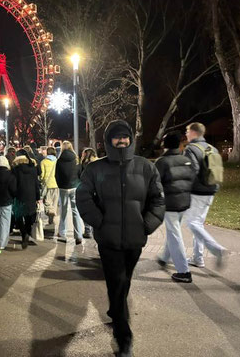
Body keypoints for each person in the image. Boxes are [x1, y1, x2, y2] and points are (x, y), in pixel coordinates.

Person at [77, 120, 165, 357]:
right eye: (117, 137)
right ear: (108, 141)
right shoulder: (95, 169)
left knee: (124, 281)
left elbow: (158, 200)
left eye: (125, 136)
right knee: (116, 281)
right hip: (109, 240)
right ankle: (123, 336)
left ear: (131, 139)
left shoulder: (146, 167)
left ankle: (116, 310)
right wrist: (100, 222)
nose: (122, 140)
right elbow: (83, 197)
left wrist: (146, 225)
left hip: (135, 239)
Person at [183, 122, 229, 269]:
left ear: (193, 132)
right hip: (211, 189)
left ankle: (217, 249)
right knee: (199, 224)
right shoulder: (212, 148)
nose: (186, 134)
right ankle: (198, 258)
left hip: (198, 192)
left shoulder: (191, 149)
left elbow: (192, 171)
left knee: (192, 223)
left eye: (187, 131)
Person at [155, 131, 196, 283]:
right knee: (174, 232)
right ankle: (165, 257)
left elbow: (155, 184)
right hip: (184, 202)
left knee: (174, 234)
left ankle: (184, 271)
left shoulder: (162, 162)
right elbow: (191, 179)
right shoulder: (186, 160)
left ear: (164, 145)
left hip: (170, 204)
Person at [55, 141, 84, 244]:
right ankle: (79, 235)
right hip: (74, 187)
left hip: (63, 188)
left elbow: (56, 175)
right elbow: (80, 173)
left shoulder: (59, 160)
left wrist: (59, 185)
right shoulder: (76, 160)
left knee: (63, 210)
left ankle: (62, 233)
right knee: (75, 210)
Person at [12, 149, 41, 249]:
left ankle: (24, 233)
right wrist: (38, 197)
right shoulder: (33, 169)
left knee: (19, 215)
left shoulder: (15, 170)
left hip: (19, 195)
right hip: (31, 195)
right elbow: (36, 184)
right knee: (29, 215)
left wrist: (13, 194)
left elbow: (13, 184)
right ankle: (28, 231)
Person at [79, 148, 98, 239]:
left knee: (87, 211)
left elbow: (81, 177)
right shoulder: (99, 163)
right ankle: (96, 231)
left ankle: (88, 231)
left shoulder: (85, 164)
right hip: (98, 191)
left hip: (87, 191)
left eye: (83, 154)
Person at [39, 146, 59, 229]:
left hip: (48, 185)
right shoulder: (57, 161)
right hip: (57, 184)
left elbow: (42, 175)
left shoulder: (44, 162)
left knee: (47, 202)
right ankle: (52, 220)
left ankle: (51, 219)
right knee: (54, 203)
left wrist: (40, 180)